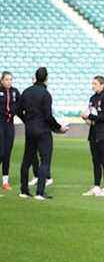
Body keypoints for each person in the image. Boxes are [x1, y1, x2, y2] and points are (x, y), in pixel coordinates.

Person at [17, 67, 67, 200]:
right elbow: (48, 116)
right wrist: (58, 128)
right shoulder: (46, 94)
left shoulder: (26, 92)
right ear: (46, 78)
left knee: (27, 160)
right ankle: (39, 192)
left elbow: (17, 110)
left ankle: (24, 190)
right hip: (43, 131)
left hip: (30, 130)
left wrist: (27, 121)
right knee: (45, 161)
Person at [81, 76, 104, 197]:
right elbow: (93, 116)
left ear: (102, 85)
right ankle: (96, 186)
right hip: (94, 133)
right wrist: (87, 119)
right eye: (92, 83)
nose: (93, 86)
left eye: (95, 84)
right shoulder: (92, 98)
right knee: (95, 161)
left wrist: (89, 117)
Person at [1, 71, 20, 191]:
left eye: (10, 79)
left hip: (9, 125)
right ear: (1, 80)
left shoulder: (15, 92)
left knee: (7, 152)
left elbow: (21, 104)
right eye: (6, 79)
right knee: (1, 152)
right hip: (0, 123)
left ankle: (5, 181)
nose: (9, 82)